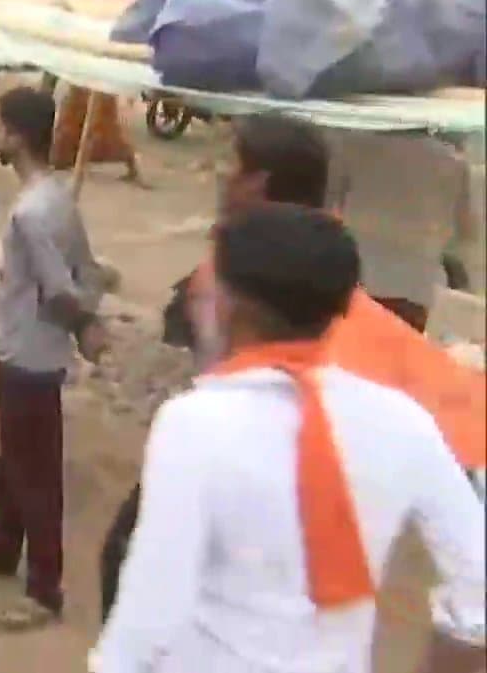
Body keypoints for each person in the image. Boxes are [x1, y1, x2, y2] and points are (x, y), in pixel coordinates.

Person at [100, 113, 487, 622]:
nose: (221, 174)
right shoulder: (441, 168)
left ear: (259, 181)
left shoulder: (251, 264)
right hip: (405, 292)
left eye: (232, 165)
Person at [0, 85, 107, 632]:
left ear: (16, 135)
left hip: (28, 353)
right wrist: (87, 318)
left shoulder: (31, 213)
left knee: (33, 471)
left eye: (1, 129)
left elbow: (60, 288)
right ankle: (1, 549)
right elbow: (87, 270)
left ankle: (44, 589)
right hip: (31, 349)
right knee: (15, 459)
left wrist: (83, 324)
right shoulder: (57, 196)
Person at [329, 130, 477, 333]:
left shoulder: (347, 147)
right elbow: (466, 232)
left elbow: (329, 207)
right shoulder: (452, 162)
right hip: (416, 285)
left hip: (357, 279)